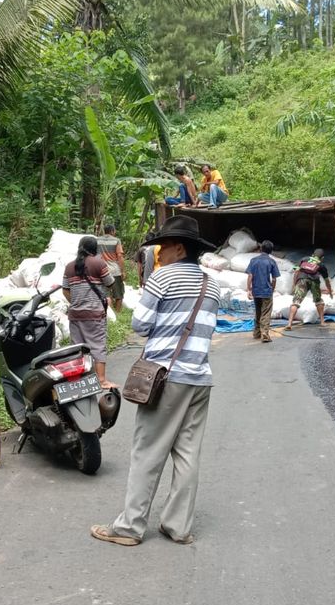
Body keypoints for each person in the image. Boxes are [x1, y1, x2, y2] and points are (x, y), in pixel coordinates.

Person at [91, 215, 221, 546]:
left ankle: (129, 527)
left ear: (180, 248)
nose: (159, 253)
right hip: (199, 378)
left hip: (166, 378)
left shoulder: (162, 278)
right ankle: (178, 526)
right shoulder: (212, 284)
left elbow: (141, 325)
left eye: (164, 247)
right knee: (187, 453)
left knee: (147, 451)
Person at [62, 236, 117, 389]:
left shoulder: (69, 266)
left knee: (77, 347)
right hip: (94, 313)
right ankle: (101, 380)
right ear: (94, 248)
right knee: (97, 345)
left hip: (75, 314)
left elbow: (65, 290)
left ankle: (77, 380)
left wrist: (76, 302)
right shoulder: (98, 263)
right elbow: (110, 283)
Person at [286, 248, 335, 327]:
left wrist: (294, 284)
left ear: (312, 254)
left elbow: (296, 271)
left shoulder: (304, 259)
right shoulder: (321, 265)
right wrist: (330, 292)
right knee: (319, 301)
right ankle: (322, 322)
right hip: (314, 282)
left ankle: (289, 324)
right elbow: (327, 281)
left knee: (296, 301)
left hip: (302, 280)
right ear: (322, 258)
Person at [245, 240, 280, 343]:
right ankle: (264, 333)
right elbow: (274, 279)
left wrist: (249, 289)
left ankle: (256, 333)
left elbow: (250, 276)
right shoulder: (271, 261)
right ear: (271, 251)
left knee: (258, 311)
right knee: (266, 312)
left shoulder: (253, 260)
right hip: (266, 291)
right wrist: (272, 289)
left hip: (256, 290)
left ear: (261, 249)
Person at [97, 224, 127, 311]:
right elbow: (120, 256)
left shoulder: (97, 240)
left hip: (102, 271)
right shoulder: (116, 241)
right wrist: (123, 271)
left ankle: (108, 313)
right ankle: (117, 313)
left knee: (106, 294)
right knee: (119, 294)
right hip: (115, 271)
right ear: (112, 231)